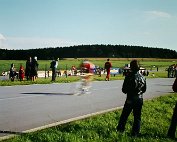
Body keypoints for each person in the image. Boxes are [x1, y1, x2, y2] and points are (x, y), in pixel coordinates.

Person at [117, 60, 146, 136]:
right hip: (140, 98)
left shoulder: (129, 76)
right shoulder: (143, 77)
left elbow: (124, 89)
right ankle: (135, 133)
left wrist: (129, 90)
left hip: (130, 98)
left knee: (124, 115)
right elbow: (144, 89)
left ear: (131, 67)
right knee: (137, 116)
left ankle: (120, 130)